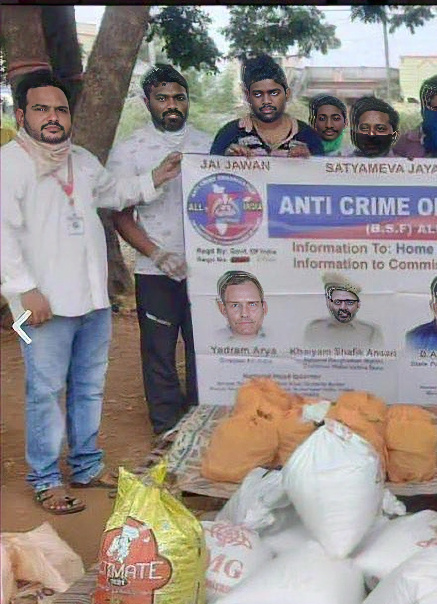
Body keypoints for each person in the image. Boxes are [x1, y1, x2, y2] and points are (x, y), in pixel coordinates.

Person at [0, 71, 181, 514]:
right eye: (41, 109)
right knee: (45, 391)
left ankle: (85, 466)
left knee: (88, 387)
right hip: (37, 305)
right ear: (21, 115)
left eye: (60, 110)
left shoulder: (80, 160)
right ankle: (45, 479)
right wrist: (23, 291)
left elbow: (114, 193)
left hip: (92, 300)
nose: (53, 118)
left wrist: (156, 176)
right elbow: (2, 235)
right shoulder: (8, 164)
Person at [107, 65, 211, 437]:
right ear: (146, 101)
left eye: (179, 98)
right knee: (159, 350)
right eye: (162, 98)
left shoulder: (207, 144)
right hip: (155, 270)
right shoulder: (130, 150)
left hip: (206, 268)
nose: (172, 105)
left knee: (205, 346)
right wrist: (156, 254)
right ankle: (167, 427)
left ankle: (203, 421)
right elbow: (120, 213)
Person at [210, 54, 323, 158]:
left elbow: (323, 171)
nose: (266, 101)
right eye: (258, 94)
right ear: (247, 96)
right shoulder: (229, 135)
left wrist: (309, 162)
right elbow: (211, 171)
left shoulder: (308, 137)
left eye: (274, 93)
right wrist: (227, 162)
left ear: (287, 94)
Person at [304, 273, 383, 347]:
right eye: (338, 302)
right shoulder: (314, 329)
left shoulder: (370, 333)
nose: (343, 307)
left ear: (358, 305)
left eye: (349, 302)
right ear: (329, 303)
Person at [216, 271, 268, 341]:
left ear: (264, 308)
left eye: (252, 304)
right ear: (223, 309)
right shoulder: (212, 339)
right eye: (235, 305)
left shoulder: (277, 337)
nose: (244, 314)